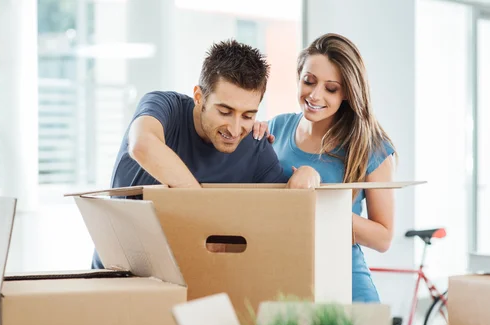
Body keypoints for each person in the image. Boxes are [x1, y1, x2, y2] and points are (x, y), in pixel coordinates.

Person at [91, 39, 320, 269]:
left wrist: (309, 173)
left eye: (248, 115)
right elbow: (143, 145)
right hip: (118, 273)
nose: (234, 128)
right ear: (199, 97)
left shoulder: (255, 146)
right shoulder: (165, 108)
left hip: (195, 282)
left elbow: (283, 214)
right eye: (224, 112)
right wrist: (204, 212)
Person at [252, 33, 397, 303]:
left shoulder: (369, 146)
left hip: (345, 281)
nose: (315, 95)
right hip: (283, 280)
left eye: (331, 88)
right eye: (308, 81)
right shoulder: (275, 129)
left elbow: (384, 237)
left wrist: (319, 203)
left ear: (347, 93)